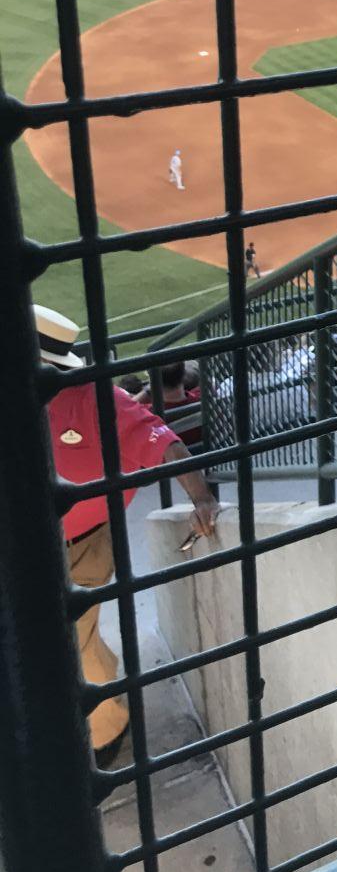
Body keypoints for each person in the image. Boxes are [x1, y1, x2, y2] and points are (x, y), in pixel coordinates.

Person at [37, 305, 218, 767]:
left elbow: (162, 440)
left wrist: (202, 497)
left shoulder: (92, 397)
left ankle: (106, 733)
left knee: (72, 642)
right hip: (28, 544)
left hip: (82, 543)